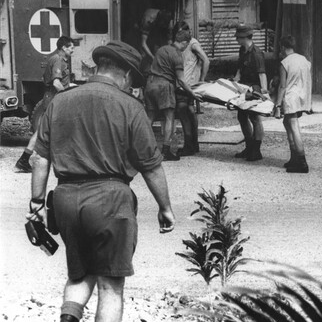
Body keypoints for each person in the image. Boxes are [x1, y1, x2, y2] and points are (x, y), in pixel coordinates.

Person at [26, 41, 176, 322]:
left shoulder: (60, 101)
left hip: (66, 199)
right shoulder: (130, 107)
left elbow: (40, 158)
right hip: (110, 200)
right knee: (110, 286)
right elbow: (151, 166)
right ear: (128, 75)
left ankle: (69, 318)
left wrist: (36, 202)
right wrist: (165, 207)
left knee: (80, 274)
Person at [15, 36, 75, 173]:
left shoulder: (56, 59)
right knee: (49, 129)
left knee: (45, 128)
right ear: (64, 48)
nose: (73, 50)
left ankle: (25, 159)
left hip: (52, 96)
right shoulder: (58, 60)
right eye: (71, 47)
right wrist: (68, 93)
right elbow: (56, 83)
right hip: (54, 97)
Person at [144, 29, 202, 161]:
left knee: (150, 117)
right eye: (186, 45)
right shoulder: (177, 55)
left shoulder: (161, 49)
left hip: (150, 84)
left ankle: (142, 148)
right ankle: (166, 151)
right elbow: (181, 80)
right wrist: (192, 94)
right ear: (184, 43)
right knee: (169, 117)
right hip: (164, 86)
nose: (185, 48)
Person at [273, 35, 312, 173]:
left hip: (291, 97)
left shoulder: (285, 62)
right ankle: (294, 157)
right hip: (302, 96)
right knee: (287, 123)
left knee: (294, 126)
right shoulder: (304, 60)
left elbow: (282, 86)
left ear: (283, 47)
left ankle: (302, 161)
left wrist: (277, 105)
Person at [173, 21, 210, 156]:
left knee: (184, 114)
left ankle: (189, 145)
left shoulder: (192, 43)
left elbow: (206, 60)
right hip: (185, 84)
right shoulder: (184, 43)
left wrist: (202, 79)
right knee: (190, 113)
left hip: (186, 85)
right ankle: (193, 144)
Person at [233, 24, 268, 161]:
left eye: (238, 37)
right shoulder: (242, 50)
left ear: (244, 37)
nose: (236, 40)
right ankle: (249, 147)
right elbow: (240, 69)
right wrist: (235, 80)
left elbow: (262, 74)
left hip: (255, 89)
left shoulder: (256, 53)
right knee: (242, 117)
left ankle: (256, 150)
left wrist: (264, 93)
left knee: (254, 118)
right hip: (244, 88)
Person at [139, 9, 172, 75]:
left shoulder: (168, 24)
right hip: (145, 30)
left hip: (157, 30)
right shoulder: (148, 20)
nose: (164, 26)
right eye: (162, 24)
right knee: (144, 56)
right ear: (158, 20)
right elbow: (143, 44)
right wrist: (152, 57)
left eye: (165, 25)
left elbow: (169, 42)